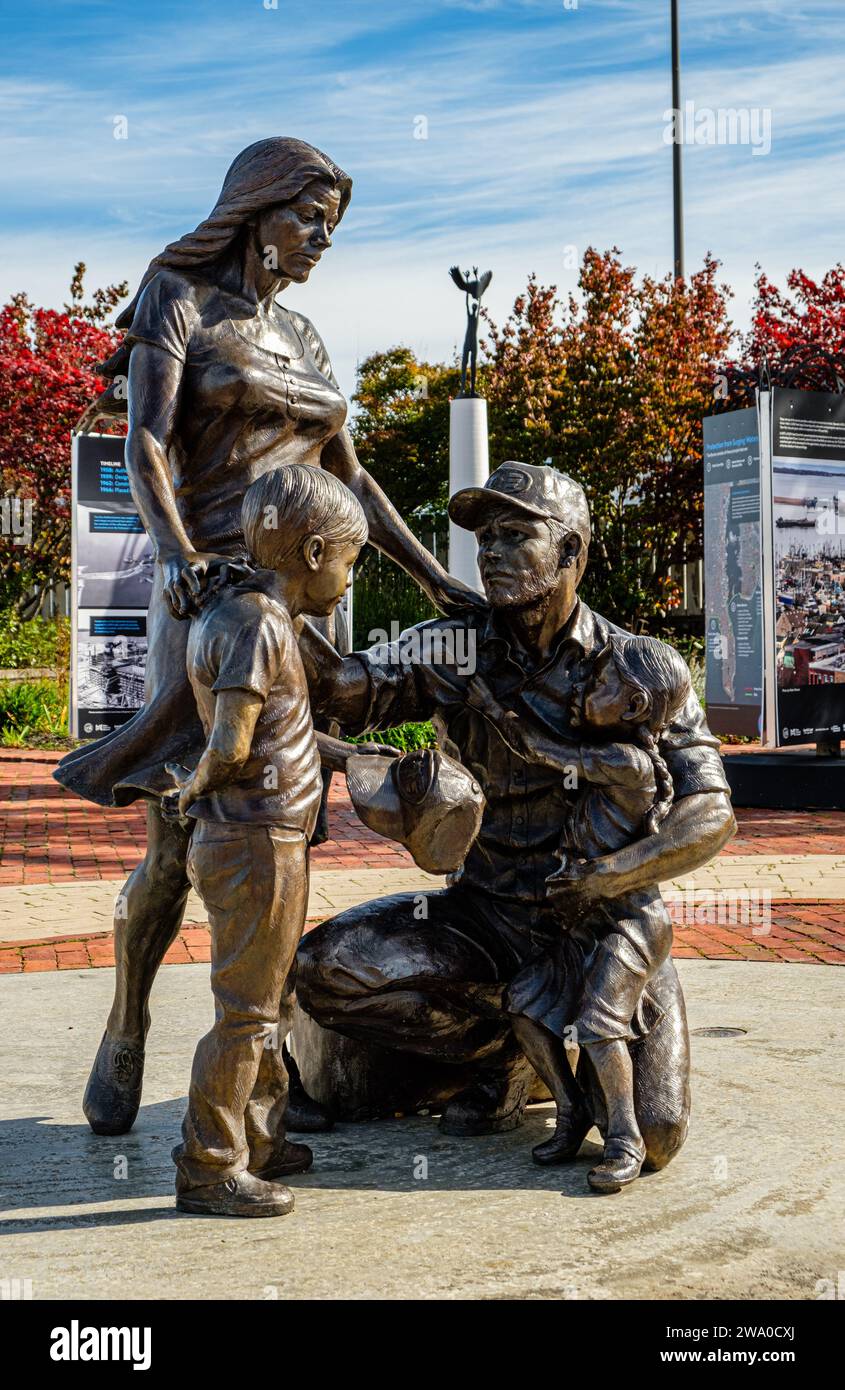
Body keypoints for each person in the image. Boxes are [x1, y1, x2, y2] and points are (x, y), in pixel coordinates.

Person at [55, 137, 479, 1137]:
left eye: (333, 220)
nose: (322, 235)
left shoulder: (310, 336)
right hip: (208, 593)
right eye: (307, 214)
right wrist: (170, 555)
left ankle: (263, 1063)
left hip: (308, 601)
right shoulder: (176, 297)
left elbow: (353, 477)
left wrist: (431, 577)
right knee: (181, 832)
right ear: (254, 209)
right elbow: (145, 438)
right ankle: (128, 1019)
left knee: (285, 823)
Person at [294, 462, 736, 1172]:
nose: (489, 552)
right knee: (321, 971)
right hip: (485, 915)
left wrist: (608, 876)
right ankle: (513, 1053)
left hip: (601, 924)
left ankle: (550, 1037)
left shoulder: (637, 669)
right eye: (482, 539)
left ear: (570, 552)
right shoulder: (451, 645)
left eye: (513, 535)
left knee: (653, 1136)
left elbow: (710, 810)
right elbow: (345, 690)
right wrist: (265, 593)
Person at [163, 464, 367, 1217]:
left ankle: (262, 1134)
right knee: (246, 1011)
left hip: (264, 836)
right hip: (256, 840)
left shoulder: (248, 616)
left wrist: (358, 759)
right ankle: (209, 1165)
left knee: (269, 998)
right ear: (313, 553)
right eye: (349, 559)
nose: (348, 581)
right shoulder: (257, 624)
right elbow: (231, 746)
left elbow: (288, 730)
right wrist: (190, 792)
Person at [465, 634, 692, 1192]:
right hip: (582, 923)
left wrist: (492, 708)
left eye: (599, 682)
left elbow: (544, 752)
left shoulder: (628, 763)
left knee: (597, 1025)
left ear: (635, 705)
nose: (583, 687)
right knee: (524, 1004)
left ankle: (624, 1139)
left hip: (629, 924)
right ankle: (571, 1111)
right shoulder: (611, 754)